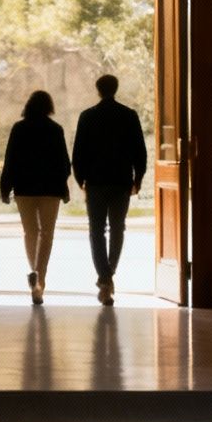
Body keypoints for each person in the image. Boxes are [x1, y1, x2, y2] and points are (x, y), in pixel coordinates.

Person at [70, 74, 148, 306]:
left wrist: (81, 179)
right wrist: (138, 179)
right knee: (117, 228)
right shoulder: (129, 116)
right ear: (116, 89)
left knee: (96, 230)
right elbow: (139, 152)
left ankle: (104, 277)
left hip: (95, 181)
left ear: (98, 90)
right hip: (121, 180)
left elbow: (78, 153)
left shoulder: (88, 116)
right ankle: (108, 275)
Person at [0, 90, 70, 306]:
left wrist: (5, 187)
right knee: (46, 234)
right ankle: (40, 279)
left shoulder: (19, 129)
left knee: (30, 232)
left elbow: (10, 159)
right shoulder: (55, 130)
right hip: (50, 190)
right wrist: (63, 182)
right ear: (49, 107)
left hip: (24, 188)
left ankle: (33, 272)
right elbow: (64, 162)